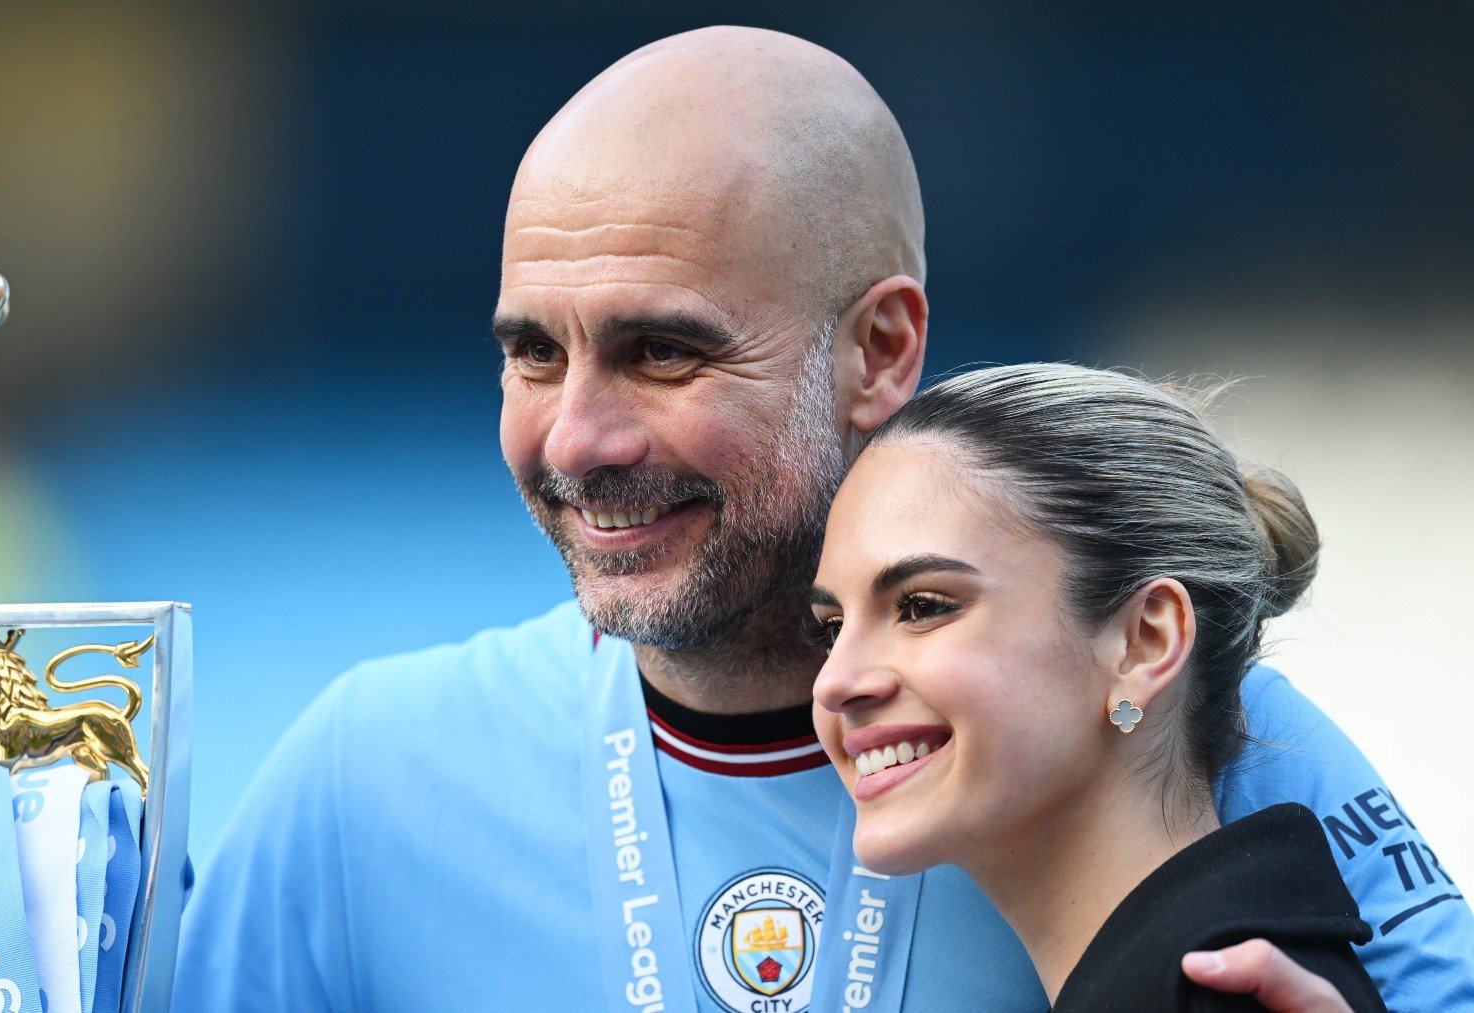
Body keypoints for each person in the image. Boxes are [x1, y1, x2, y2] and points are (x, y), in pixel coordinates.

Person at [174, 26, 1473, 1011]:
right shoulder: (361, 784)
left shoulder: (1174, 723)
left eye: (662, 353)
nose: (577, 437)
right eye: (531, 355)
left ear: (878, 349)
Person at [809, 363, 1386, 1010]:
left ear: (1146, 642)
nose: (836, 682)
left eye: (923, 606)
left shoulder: (1217, 990)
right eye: (829, 628)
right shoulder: (1240, 965)